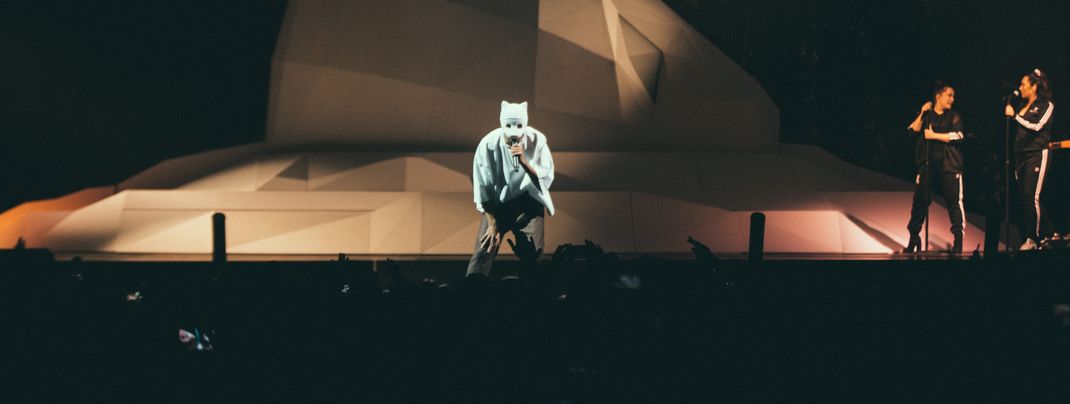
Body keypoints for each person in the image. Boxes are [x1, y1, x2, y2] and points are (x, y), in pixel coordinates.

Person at [467, 101, 555, 277]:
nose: (514, 135)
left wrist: (524, 162)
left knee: (533, 254)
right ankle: (472, 291)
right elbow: (482, 185)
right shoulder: (488, 145)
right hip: (497, 203)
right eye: (508, 126)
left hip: (529, 201)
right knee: (484, 249)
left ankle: (536, 294)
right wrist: (492, 222)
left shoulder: (537, 141)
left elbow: (545, 178)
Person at [903, 82, 966, 253]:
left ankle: (958, 241)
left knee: (954, 204)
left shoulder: (954, 115)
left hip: (949, 166)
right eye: (949, 95)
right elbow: (911, 132)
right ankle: (914, 238)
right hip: (928, 165)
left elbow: (958, 136)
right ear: (938, 96)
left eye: (953, 96)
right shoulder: (927, 115)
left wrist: (933, 135)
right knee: (919, 203)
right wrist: (922, 112)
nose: (952, 99)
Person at [1005, 68, 1055, 251]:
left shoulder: (1046, 105)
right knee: (1027, 197)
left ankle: (1032, 239)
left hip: (1037, 153)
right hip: (1021, 156)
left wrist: (1015, 117)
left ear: (1034, 87)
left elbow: (1036, 127)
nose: (1020, 87)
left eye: (1023, 84)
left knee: (1031, 196)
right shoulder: (1021, 105)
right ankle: (1049, 233)